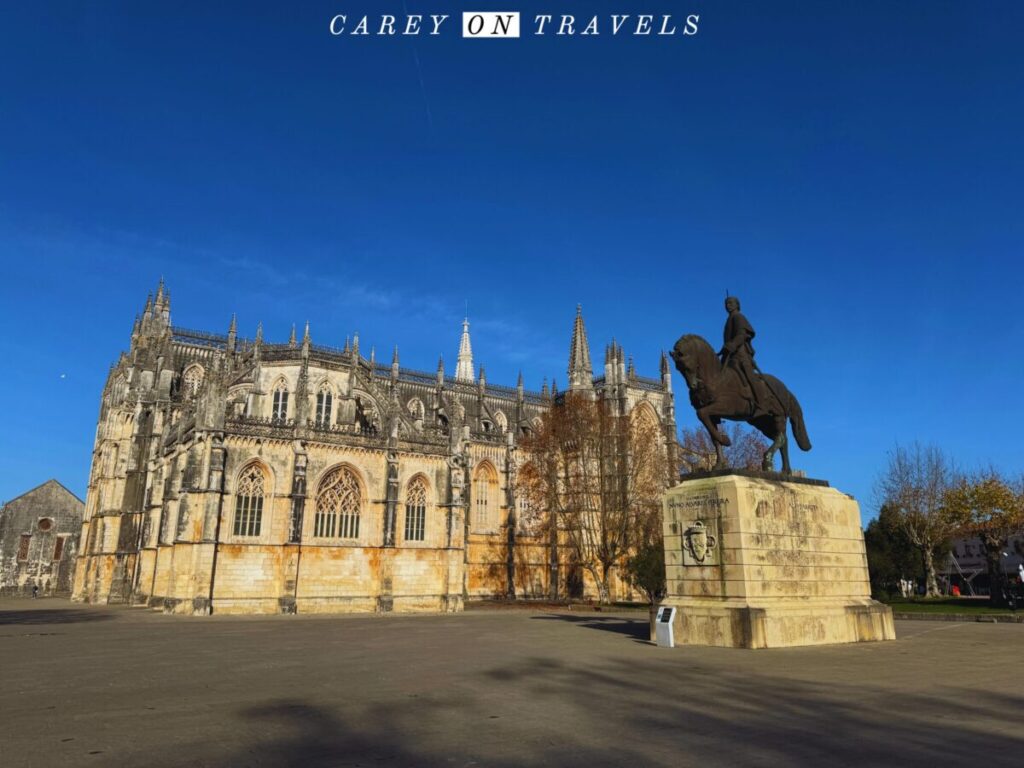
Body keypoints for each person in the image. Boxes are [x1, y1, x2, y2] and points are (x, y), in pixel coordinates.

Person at [720, 296, 772, 412]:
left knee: (750, 376)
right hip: (729, 356)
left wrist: (733, 344)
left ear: (737, 305)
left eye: (731, 303)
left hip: (740, 354)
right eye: (726, 303)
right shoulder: (729, 320)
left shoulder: (739, 317)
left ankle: (762, 404)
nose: (728, 305)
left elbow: (742, 335)